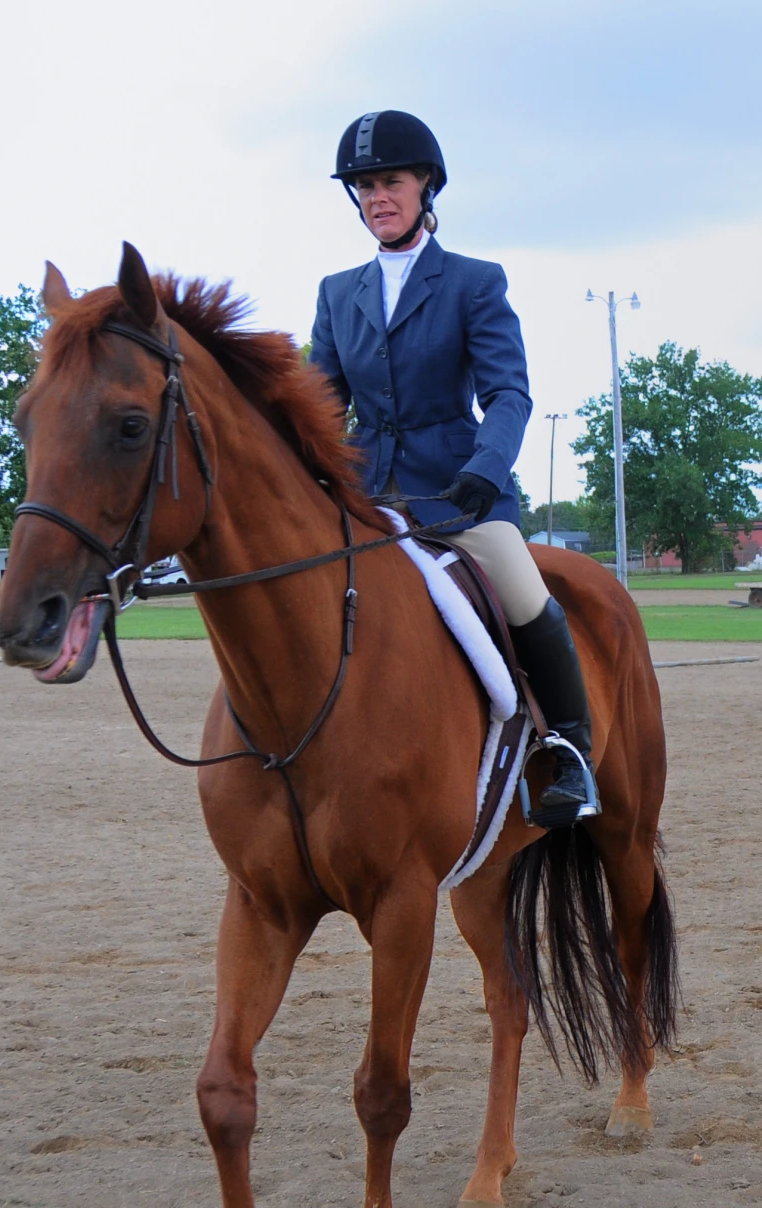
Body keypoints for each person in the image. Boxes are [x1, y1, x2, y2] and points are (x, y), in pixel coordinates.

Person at [306, 110, 594, 825]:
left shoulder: (473, 282)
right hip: (367, 498)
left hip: (460, 496)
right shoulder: (337, 293)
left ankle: (569, 752)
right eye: (365, 186)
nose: (378, 197)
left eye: (390, 182)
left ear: (425, 185)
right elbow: (318, 402)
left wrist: (484, 469)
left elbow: (507, 393)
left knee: (523, 590)